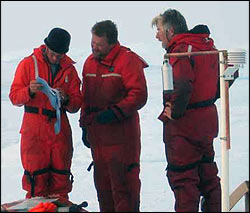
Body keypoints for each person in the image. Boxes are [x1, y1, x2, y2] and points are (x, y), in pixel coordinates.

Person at [151, 9, 221, 212]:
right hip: (207, 122)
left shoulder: (180, 50)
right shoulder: (206, 47)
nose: (157, 36)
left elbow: (182, 84)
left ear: (170, 31)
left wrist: (176, 111)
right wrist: (207, 99)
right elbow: (221, 81)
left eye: (159, 31)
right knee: (208, 174)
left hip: (185, 128)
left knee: (184, 179)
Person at [79, 20, 148, 212]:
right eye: (92, 43)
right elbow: (85, 97)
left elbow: (139, 95)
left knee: (124, 190)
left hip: (122, 140)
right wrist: (84, 125)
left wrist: (115, 112)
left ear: (111, 43)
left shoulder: (128, 61)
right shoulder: (89, 63)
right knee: (104, 191)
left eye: (99, 45)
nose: (94, 48)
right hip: (99, 140)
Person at [9, 27, 82, 206]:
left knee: (61, 182)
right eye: (53, 53)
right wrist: (29, 91)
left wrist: (65, 98)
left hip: (60, 132)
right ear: (46, 47)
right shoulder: (28, 64)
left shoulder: (69, 70)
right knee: (36, 183)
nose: (56, 58)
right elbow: (14, 97)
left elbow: (76, 104)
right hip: (34, 132)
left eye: (60, 54)